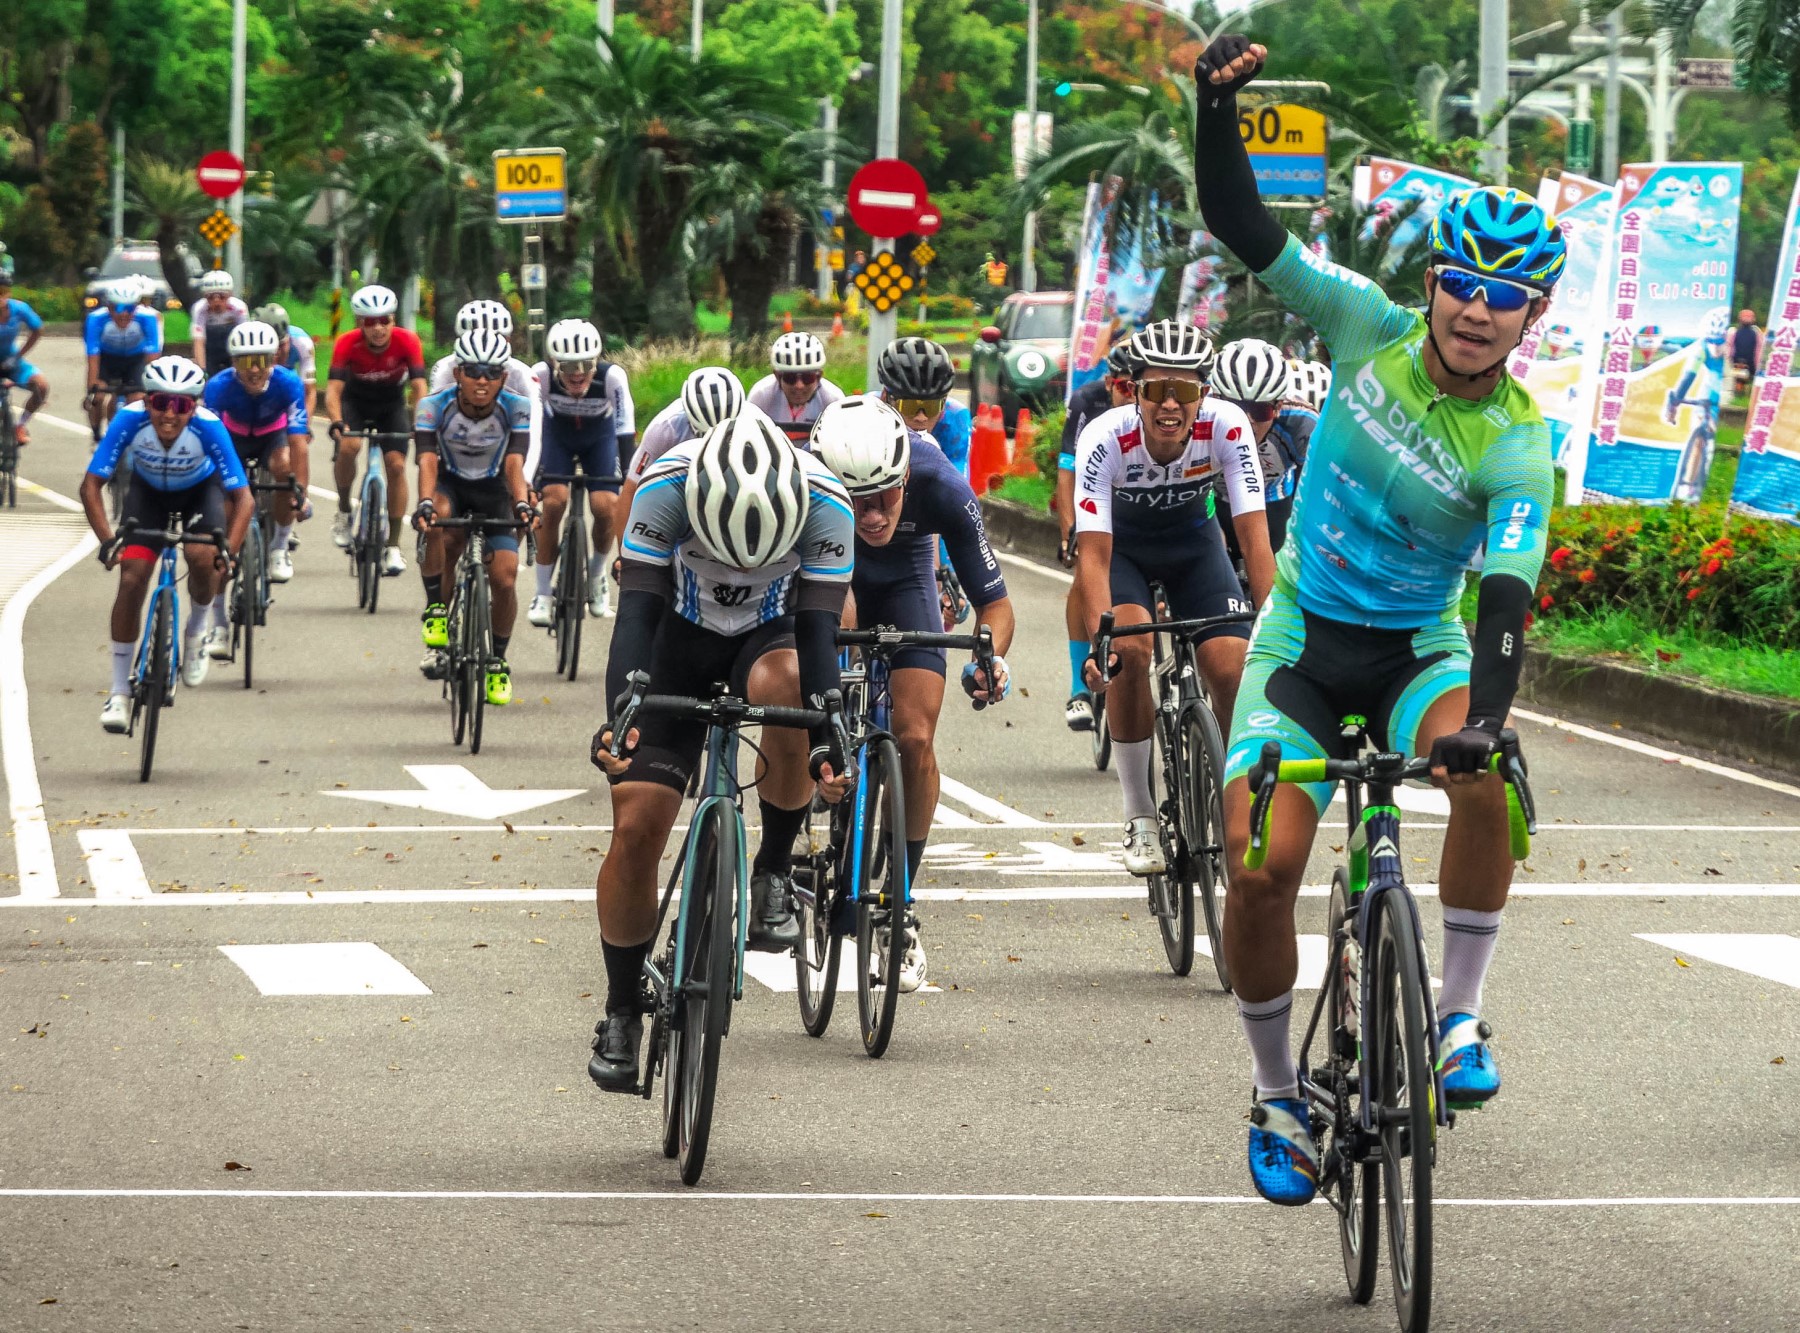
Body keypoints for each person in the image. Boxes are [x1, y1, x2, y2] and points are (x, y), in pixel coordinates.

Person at [1194, 33, 1564, 1206]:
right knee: (1261, 863)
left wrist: (1487, 719)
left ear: (1531, 317)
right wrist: (1215, 111)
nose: (1478, 312)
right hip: (1304, 639)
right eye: (1464, 285)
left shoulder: (1517, 441)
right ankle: (1275, 1092)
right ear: (1434, 285)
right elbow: (1241, 226)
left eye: (1507, 299)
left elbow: (1504, 595)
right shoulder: (1362, 325)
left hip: (1420, 648)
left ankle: (1458, 1017)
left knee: (1491, 777)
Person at [586, 412, 855, 1091]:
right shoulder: (662, 487)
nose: (737, 568)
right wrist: (621, 716)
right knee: (637, 824)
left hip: (768, 635)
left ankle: (769, 871)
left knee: (791, 687)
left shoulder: (828, 501)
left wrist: (829, 739)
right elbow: (636, 621)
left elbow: (820, 635)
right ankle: (621, 1007)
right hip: (675, 636)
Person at [812, 395, 1014, 991]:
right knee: (816, 654)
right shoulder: (807, 483)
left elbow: (995, 607)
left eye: (884, 497)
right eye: (857, 500)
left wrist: (990, 657)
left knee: (915, 736)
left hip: (905, 581)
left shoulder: (941, 485)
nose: (873, 515)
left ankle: (899, 907)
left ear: (905, 476)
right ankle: (820, 768)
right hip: (834, 572)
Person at [1074, 319, 1270, 876]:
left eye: (1183, 391)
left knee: (1233, 667)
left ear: (1202, 395)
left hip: (1194, 549)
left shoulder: (1227, 428)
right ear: (1134, 391)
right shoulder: (1104, 439)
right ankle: (1138, 815)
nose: (1169, 405)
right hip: (1125, 554)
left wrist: (1279, 628)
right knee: (1130, 653)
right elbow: (1093, 556)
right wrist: (1101, 641)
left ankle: (1244, 795)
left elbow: (1254, 539)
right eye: (1156, 389)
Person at [78, 356, 253, 727]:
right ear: (147, 401)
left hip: (199, 494)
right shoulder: (129, 419)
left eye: (182, 405)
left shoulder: (209, 427)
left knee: (203, 558)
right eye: (160, 403)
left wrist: (230, 553)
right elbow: (91, 485)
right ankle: (119, 693)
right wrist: (107, 541)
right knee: (131, 580)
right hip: (148, 496)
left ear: (195, 406)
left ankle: (196, 631)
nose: (169, 415)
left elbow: (244, 498)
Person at [413, 330, 533, 704]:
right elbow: (427, 460)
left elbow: (514, 462)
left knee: (505, 576)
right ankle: (436, 608)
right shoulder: (433, 406)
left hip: (495, 491)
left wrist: (522, 504)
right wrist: (425, 503)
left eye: (492, 373)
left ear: (504, 377)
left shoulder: (515, 407)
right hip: (450, 485)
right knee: (440, 523)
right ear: (458, 373)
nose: (482, 381)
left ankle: (497, 661)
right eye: (474, 371)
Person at [200, 321, 311, 627]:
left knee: (283, 468)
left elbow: (299, 442)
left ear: (274, 359)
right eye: (246, 362)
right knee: (223, 521)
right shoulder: (218, 387)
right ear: (234, 362)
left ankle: (278, 547)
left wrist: (300, 492)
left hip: (270, 438)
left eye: (261, 360)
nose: (254, 370)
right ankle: (218, 622)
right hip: (231, 440)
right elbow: (210, 443)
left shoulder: (288, 383)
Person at [1058, 340, 1142, 731]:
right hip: (1095, 500)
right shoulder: (1085, 402)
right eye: (1124, 387)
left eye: (1136, 387)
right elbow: (1067, 471)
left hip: (1139, 507)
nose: (1131, 396)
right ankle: (1079, 688)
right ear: (1109, 383)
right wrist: (1067, 533)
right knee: (1082, 578)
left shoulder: (1154, 411)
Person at [325, 284, 427, 574]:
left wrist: (421, 422)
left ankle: (393, 546)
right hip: (355, 403)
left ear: (394, 320)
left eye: (385, 320)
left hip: (390, 405)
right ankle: (344, 511)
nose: (379, 328)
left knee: (396, 466)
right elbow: (333, 391)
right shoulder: (347, 343)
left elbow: (419, 387)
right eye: (371, 322)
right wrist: (336, 421)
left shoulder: (408, 342)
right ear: (360, 323)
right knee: (349, 446)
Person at [528, 318, 624, 625]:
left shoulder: (613, 378)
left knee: (605, 505)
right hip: (556, 436)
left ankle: (596, 577)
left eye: (585, 364)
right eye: (569, 367)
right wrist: (530, 479)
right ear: (555, 365)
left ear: (596, 361)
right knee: (554, 501)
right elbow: (531, 430)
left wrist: (629, 478)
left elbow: (625, 429)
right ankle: (543, 594)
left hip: (600, 438)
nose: (578, 374)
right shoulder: (539, 376)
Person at [1211, 338, 1315, 555]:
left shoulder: (1302, 422)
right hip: (1213, 498)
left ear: (1278, 407)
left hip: (1270, 500)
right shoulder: (1201, 413)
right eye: (1235, 406)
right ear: (1217, 399)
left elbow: (1318, 489)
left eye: (1260, 411)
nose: (1247, 420)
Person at [614, 365, 745, 518]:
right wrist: (624, 542)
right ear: (688, 417)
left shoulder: (755, 421)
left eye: (725, 434)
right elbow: (631, 491)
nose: (713, 443)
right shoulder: (665, 428)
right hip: (679, 492)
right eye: (702, 435)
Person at [875, 337, 972, 477]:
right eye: (909, 406)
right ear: (885, 398)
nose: (921, 418)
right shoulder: (868, 413)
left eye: (932, 406)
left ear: (944, 403)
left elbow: (959, 484)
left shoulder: (956, 417)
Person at [1664, 307, 1729, 503]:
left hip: (1728, 393)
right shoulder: (1701, 348)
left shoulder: (1735, 348)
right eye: (1711, 341)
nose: (1715, 348)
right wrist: (1674, 403)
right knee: (1698, 439)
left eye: (1720, 342)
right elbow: (1688, 377)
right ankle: (1688, 485)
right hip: (1707, 393)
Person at [84, 280, 162, 436]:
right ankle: (96, 433)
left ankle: (130, 436)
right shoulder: (95, 319)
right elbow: (93, 355)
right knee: (98, 397)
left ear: (136, 307)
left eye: (129, 308)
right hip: (107, 359)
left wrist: (152, 386)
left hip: (135, 360)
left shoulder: (148, 317)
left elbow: (153, 355)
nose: (123, 314)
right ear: (108, 307)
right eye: (117, 308)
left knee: (137, 399)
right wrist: (91, 388)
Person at [745, 332, 845, 445]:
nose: (799, 386)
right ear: (778, 377)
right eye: (790, 378)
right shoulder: (761, 395)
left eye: (808, 378)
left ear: (819, 377)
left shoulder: (833, 400)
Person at [0, 268, 48, 445]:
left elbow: (38, 329)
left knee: (41, 386)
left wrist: (19, 355)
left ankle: (20, 425)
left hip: (11, 361)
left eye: (3, 291)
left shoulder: (19, 309)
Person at [255, 303, 317, 420]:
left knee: (295, 387)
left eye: (282, 345)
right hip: (260, 376)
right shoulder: (252, 346)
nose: (277, 353)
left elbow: (309, 391)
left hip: (289, 372)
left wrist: (304, 426)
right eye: (271, 349)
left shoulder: (302, 342)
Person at [189, 271, 249, 375]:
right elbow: (198, 342)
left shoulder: (239, 308)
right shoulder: (199, 309)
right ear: (204, 296)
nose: (217, 302)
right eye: (210, 297)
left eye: (222, 296)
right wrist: (202, 371)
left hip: (232, 345)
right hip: (210, 348)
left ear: (230, 295)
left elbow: (244, 338)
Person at [1730, 308, 1764, 393]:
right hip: (1747, 361)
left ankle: (1740, 391)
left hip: (1739, 360)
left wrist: (1730, 358)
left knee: (1740, 379)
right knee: (1745, 379)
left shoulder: (1734, 332)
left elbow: (1730, 347)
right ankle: (1742, 391)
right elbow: (1759, 348)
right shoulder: (1756, 333)